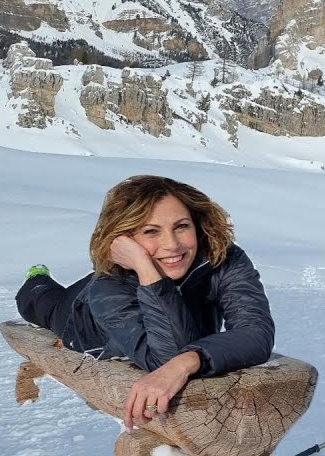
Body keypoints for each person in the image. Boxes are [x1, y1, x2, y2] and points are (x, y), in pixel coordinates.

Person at [15, 175, 275, 430]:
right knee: (40, 302)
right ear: (125, 238)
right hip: (78, 315)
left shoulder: (222, 256)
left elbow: (256, 331)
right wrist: (144, 267)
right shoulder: (108, 288)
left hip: (124, 280)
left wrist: (189, 361)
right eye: (151, 231)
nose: (172, 245)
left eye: (182, 226)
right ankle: (37, 277)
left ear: (197, 224)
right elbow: (167, 355)